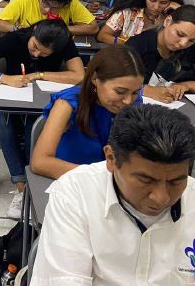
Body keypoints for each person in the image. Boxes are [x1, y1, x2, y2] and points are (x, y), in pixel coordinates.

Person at [32, 105, 195, 285]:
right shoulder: (76, 194)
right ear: (111, 159)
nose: (161, 198)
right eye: (145, 180)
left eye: (176, 182)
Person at [0, 20, 84, 218]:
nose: (36, 54)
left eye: (44, 54)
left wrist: (39, 75)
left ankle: (33, 180)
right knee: (4, 123)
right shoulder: (15, 39)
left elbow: (79, 75)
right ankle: (21, 185)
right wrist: (4, 78)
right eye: (35, 46)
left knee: (35, 126)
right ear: (34, 32)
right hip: (8, 99)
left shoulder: (63, 42)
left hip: (38, 104)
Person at [30, 45, 145, 179]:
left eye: (135, 92)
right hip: (69, 180)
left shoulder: (134, 104)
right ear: (95, 79)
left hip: (111, 180)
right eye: (120, 91)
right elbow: (39, 163)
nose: (128, 101)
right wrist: (100, 176)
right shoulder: (67, 104)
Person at [125, 5, 195, 104]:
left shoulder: (190, 49)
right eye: (180, 34)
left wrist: (186, 85)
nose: (183, 44)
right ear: (167, 21)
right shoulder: (137, 46)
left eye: (191, 40)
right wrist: (146, 90)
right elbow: (111, 81)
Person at [98, 0, 183, 44]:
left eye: (163, 3)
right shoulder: (128, 13)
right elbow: (102, 35)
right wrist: (126, 44)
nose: (156, 7)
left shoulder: (172, 19)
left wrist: (181, 10)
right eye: (152, 0)